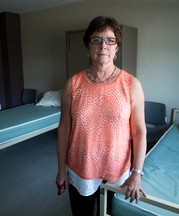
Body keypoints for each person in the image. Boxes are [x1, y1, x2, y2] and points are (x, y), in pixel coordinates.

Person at [56, 16, 147, 216]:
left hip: (117, 170)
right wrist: (61, 168)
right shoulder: (72, 85)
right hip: (80, 167)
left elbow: (139, 132)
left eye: (109, 40)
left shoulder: (132, 85)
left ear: (117, 47)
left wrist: (137, 173)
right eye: (96, 39)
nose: (103, 45)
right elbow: (64, 129)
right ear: (88, 46)